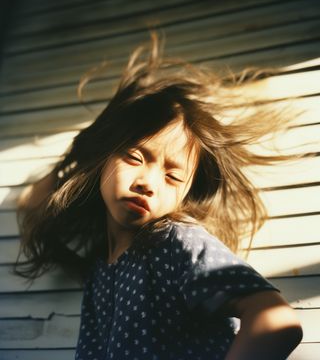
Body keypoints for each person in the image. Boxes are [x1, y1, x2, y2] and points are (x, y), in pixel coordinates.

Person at [15, 32, 303, 359]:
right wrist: (83, 147)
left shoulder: (174, 243)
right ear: (102, 157)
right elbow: (34, 204)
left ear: (184, 195)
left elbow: (276, 318)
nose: (149, 183)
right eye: (135, 157)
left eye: (172, 176)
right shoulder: (101, 265)